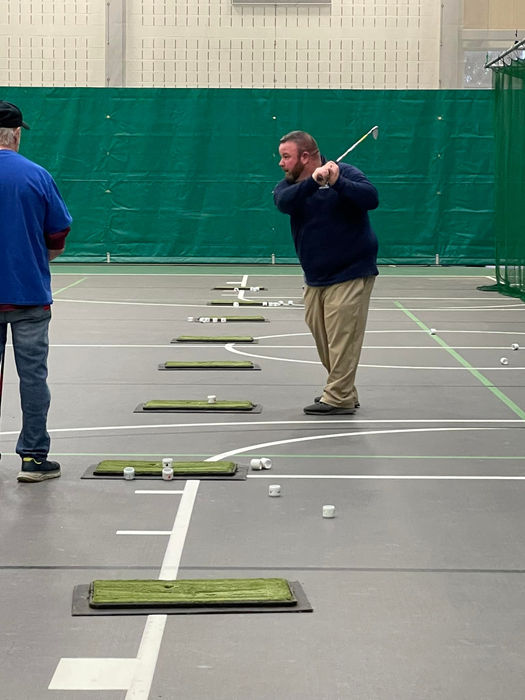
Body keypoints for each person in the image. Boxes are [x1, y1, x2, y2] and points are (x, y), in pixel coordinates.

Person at [273, 130, 378, 415]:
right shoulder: (290, 186)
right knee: (325, 340)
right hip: (314, 277)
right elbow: (283, 202)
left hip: (351, 271)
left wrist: (337, 182)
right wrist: (313, 182)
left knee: (342, 339)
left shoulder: (346, 173)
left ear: (305, 156)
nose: (281, 163)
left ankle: (339, 397)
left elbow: (371, 198)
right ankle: (345, 390)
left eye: (286, 157)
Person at [0, 100, 72, 482]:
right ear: (15, 135)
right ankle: (32, 457)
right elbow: (58, 234)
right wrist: (36, 255)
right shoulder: (37, 175)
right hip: (28, 294)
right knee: (32, 379)